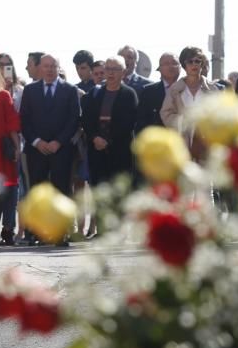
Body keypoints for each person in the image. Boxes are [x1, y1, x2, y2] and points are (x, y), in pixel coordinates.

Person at [20, 54, 82, 240]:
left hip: (61, 149)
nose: (49, 69)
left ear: (58, 67)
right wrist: (37, 141)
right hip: (36, 149)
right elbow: (24, 120)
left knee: (61, 189)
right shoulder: (30, 90)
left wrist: (59, 141)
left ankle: (61, 231)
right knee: (37, 189)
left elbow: (74, 120)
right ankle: (36, 233)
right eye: (45, 66)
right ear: (40, 68)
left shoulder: (70, 90)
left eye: (52, 66)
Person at [82, 56, 138, 190]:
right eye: (108, 69)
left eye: (115, 69)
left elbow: (129, 122)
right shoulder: (94, 93)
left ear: (123, 72)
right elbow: (86, 119)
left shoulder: (129, 95)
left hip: (120, 152)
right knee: (99, 193)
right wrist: (95, 137)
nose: (111, 73)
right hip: (97, 151)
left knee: (120, 193)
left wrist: (108, 140)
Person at [160, 47, 220, 163]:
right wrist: (184, 121)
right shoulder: (175, 89)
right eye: (190, 61)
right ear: (184, 64)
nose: (194, 65)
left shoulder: (212, 89)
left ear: (202, 64)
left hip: (206, 142)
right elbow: (165, 113)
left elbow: (219, 114)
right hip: (182, 142)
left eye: (198, 61)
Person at [0, 54, 25, 245]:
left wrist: (16, 148)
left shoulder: (3, 95)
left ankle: (5, 229)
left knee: (2, 193)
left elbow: (12, 124)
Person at [136, 52, 181, 133]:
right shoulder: (148, 91)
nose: (171, 66)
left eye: (175, 63)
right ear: (159, 69)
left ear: (180, 67)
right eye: (166, 63)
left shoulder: (187, 89)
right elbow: (141, 122)